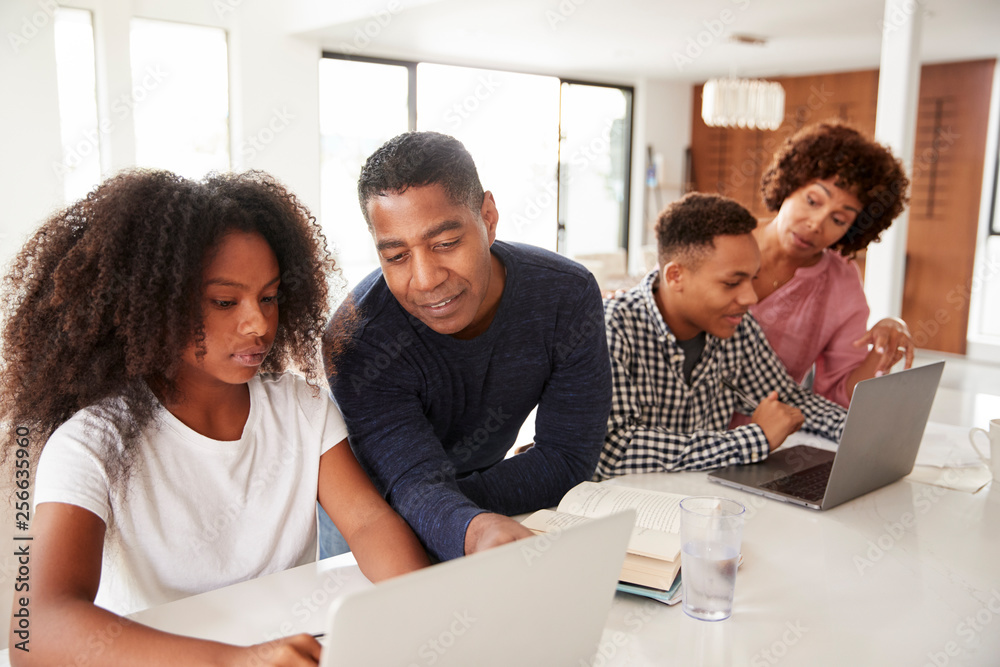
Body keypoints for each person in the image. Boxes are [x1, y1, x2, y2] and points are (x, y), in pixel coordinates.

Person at [0, 170, 429, 666]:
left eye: (268, 297)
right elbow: (37, 631)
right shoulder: (93, 443)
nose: (258, 323)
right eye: (225, 301)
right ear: (156, 305)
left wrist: (422, 609)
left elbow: (369, 522)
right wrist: (232, 661)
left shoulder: (300, 407)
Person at [323, 131, 612, 562]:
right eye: (397, 256)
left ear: (489, 217)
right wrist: (458, 520)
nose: (425, 279)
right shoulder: (357, 338)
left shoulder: (565, 296)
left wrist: (459, 518)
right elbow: (408, 483)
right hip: (372, 527)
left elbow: (568, 455)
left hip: (477, 512)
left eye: (444, 244)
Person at [596, 192, 846, 479]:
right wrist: (755, 439)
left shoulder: (736, 326)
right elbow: (614, 449)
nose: (750, 297)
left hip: (700, 504)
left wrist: (859, 428)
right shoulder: (612, 328)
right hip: (624, 508)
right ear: (675, 276)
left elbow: (788, 399)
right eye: (731, 283)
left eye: (752, 279)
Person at [750, 121, 915, 408]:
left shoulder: (840, 282)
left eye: (839, 220)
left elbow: (840, 395)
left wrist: (885, 340)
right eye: (812, 201)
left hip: (767, 438)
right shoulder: (723, 237)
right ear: (790, 183)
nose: (816, 224)